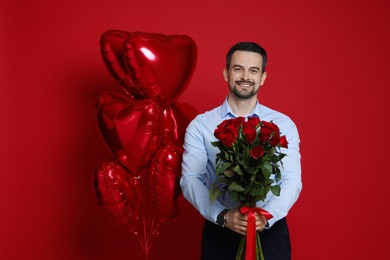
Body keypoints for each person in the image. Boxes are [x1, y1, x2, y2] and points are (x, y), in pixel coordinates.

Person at [180, 42, 302, 260]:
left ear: (263, 77)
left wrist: (265, 217)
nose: (245, 76)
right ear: (226, 73)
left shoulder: (283, 124)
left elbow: (292, 181)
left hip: (270, 231)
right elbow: (191, 180)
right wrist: (224, 216)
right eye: (238, 68)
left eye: (253, 70)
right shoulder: (200, 125)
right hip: (220, 231)